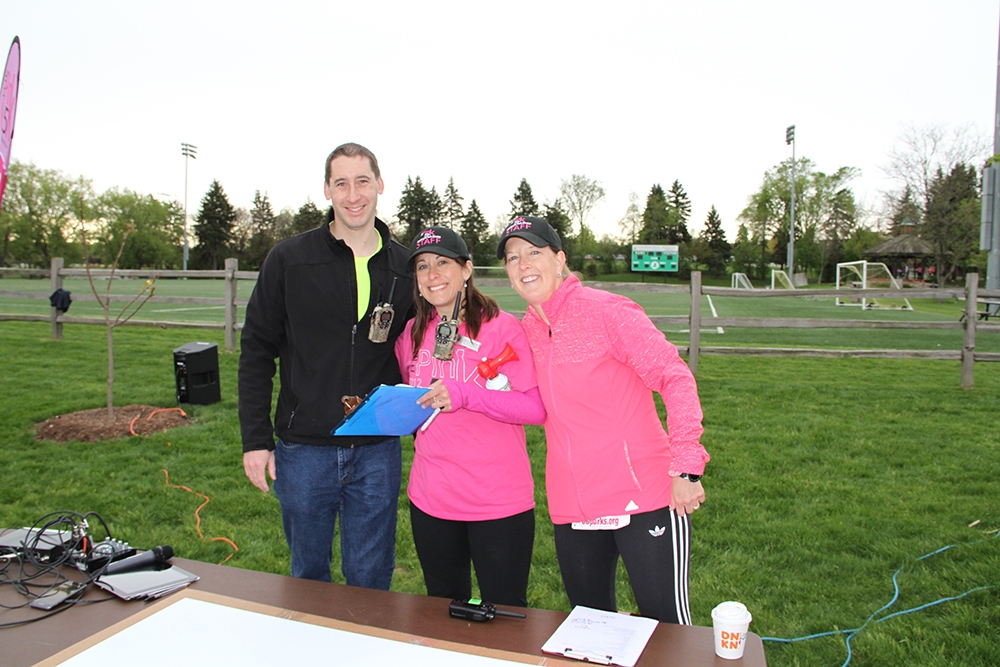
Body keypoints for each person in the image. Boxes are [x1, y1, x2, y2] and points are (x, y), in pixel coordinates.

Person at [497, 216, 710, 623]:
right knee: (591, 629)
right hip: (573, 504)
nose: (523, 264)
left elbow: (674, 376)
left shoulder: (607, 311)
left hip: (644, 497)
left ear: (559, 260)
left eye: (534, 253)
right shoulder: (528, 329)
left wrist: (687, 466)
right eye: (512, 258)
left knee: (667, 631)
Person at [238, 143, 414, 588]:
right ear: (326, 190)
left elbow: (427, 344)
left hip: (377, 450)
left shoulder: (406, 266)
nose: (353, 194)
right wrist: (256, 440)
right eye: (341, 183)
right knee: (307, 580)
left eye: (362, 181)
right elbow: (257, 349)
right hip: (304, 451)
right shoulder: (289, 259)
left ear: (379, 185)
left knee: (371, 578)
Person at [395, 226, 544, 607]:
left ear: (467, 269)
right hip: (431, 499)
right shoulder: (411, 333)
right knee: (443, 609)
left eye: (443, 262)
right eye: (423, 266)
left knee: (506, 612)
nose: (433, 275)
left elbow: (535, 408)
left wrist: (465, 395)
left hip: (497, 501)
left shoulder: (502, 327)